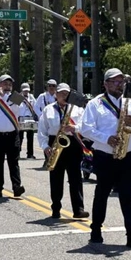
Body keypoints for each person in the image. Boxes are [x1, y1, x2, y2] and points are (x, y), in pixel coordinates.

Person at [80, 69, 131, 247]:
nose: (119, 85)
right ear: (106, 84)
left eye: (121, 82)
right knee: (102, 194)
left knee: (127, 195)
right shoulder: (95, 104)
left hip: (127, 154)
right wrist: (106, 138)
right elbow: (85, 128)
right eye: (115, 81)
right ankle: (96, 230)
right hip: (105, 155)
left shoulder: (129, 103)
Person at [37, 83, 89, 219]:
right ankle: (56, 208)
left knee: (75, 178)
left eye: (66, 94)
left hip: (72, 144)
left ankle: (78, 209)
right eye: (61, 93)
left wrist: (74, 127)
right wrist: (45, 147)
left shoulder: (77, 109)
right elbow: (42, 131)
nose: (63, 96)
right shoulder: (48, 110)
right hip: (55, 142)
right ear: (56, 95)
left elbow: (85, 126)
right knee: (56, 178)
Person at [0, 74, 25, 197]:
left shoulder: (16, 97)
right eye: (5, 84)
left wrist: (3, 95)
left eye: (9, 84)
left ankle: (16, 187)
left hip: (12, 135)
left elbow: (16, 108)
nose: (7, 86)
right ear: (0, 85)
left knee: (13, 162)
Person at [18, 83, 38, 159]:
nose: (26, 92)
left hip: (30, 118)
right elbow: (12, 107)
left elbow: (35, 106)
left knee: (30, 137)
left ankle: (30, 154)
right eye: (24, 90)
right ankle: (17, 153)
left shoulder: (31, 97)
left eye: (27, 90)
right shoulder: (18, 97)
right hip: (21, 118)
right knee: (20, 137)